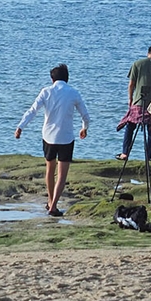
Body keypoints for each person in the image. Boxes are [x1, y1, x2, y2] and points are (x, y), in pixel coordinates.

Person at [14, 64, 90, 218]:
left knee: (50, 170)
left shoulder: (46, 92)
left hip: (48, 136)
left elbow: (32, 111)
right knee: (61, 175)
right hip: (66, 137)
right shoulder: (74, 93)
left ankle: (50, 201)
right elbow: (85, 115)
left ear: (52, 79)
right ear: (67, 78)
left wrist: (20, 126)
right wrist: (84, 128)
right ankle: (53, 205)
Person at [116, 43, 151, 163]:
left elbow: (131, 84)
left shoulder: (137, 64)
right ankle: (148, 157)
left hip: (138, 101)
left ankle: (125, 153)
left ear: (149, 53)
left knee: (130, 126)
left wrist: (130, 99)